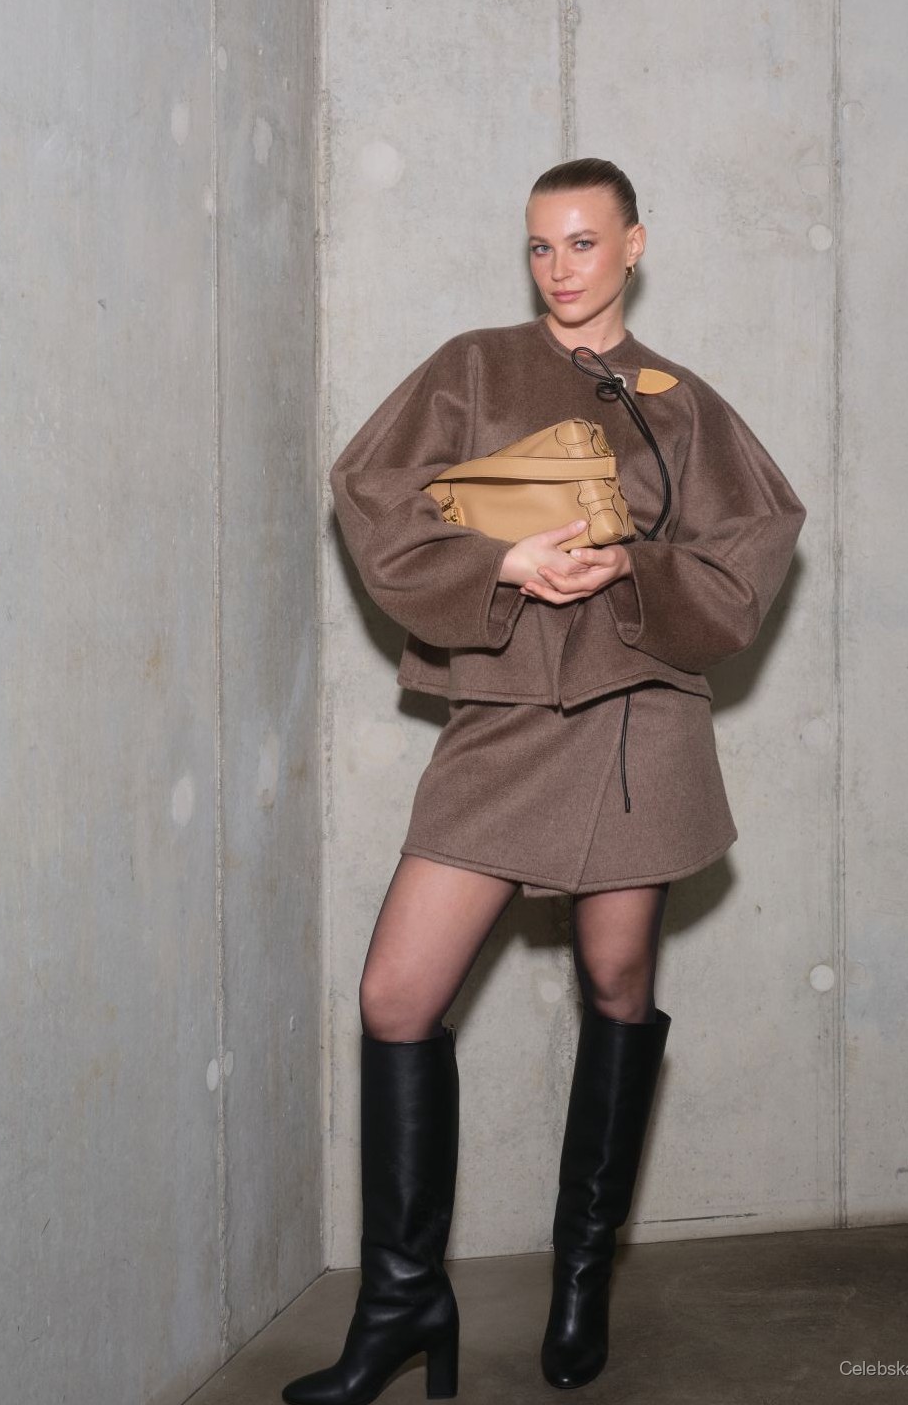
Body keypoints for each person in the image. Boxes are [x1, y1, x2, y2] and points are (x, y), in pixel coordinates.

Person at [281, 158, 807, 1404]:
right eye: (539, 245)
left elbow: (756, 542)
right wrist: (505, 563)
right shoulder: (472, 367)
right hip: (505, 720)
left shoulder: (685, 402)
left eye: (581, 241)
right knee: (397, 993)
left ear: (634, 244)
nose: (559, 267)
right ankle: (404, 1300)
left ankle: (582, 1273)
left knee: (617, 982)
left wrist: (632, 569)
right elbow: (370, 492)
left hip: (635, 724)